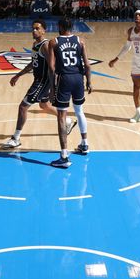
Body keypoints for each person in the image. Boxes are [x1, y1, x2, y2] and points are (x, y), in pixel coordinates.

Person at [1, 19, 76, 149]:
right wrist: (18, 75)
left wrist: (53, 87)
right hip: (39, 79)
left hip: (42, 81)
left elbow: (53, 66)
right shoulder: (35, 44)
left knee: (23, 107)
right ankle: (68, 121)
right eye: (33, 28)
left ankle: (16, 138)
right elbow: (33, 63)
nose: (34, 30)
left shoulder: (45, 45)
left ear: (43, 30)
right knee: (44, 105)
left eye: (37, 28)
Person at [47, 18, 92, 168]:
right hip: (78, 78)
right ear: (71, 27)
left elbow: (52, 68)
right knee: (79, 110)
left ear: (59, 26)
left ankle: (64, 156)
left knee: (61, 116)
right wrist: (89, 82)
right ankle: (85, 144)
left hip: (64, 79)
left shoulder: (54, 42)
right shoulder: (81, 41)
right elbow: (87, 64)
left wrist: (52, 89)